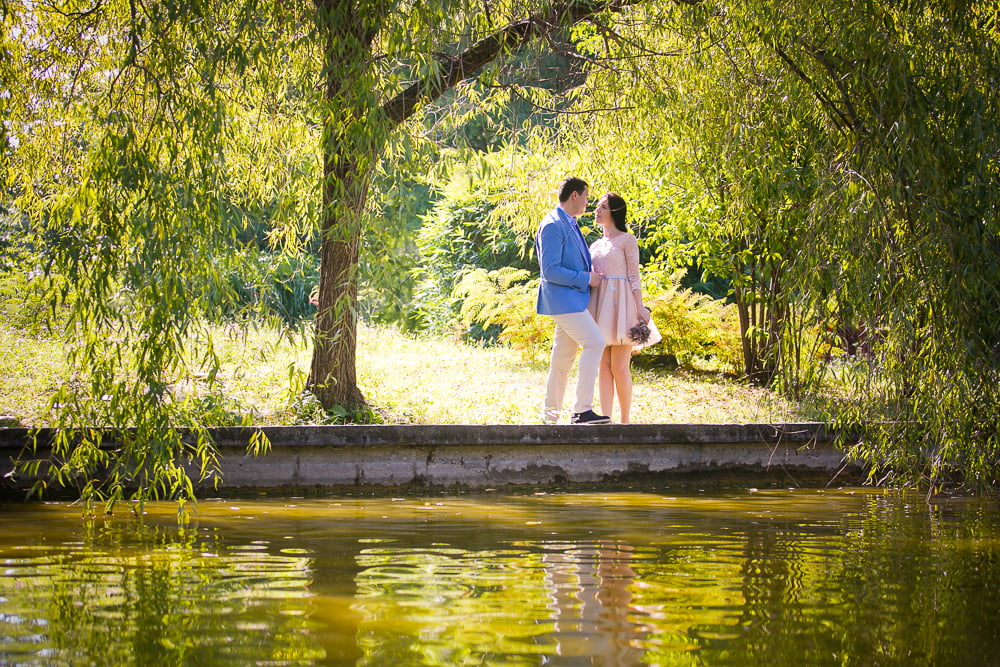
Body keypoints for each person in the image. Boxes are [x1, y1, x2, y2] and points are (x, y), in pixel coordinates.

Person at [535, 177, 610, 425]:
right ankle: (582, 410)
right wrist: (587, 279)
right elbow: (551, 271)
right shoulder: (553, 225)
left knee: (562, 360)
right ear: (574, 195)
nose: (588, 202)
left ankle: (550, 418)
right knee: (595, 342)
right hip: (562, 301)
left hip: (571, 301)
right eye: (587, 197)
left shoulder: (570, 223)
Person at [588, 193, 651, 424]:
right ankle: (606, 419)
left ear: (614, 211)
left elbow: (634, 277)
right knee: (602, 365)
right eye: (597, 207)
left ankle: (625, 422)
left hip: (622, 304)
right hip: (599, 304)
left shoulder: (627, 240)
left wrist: (640, 307)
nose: (597, 211)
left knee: (620, 365)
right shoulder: (595, 244)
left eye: (602, 207)